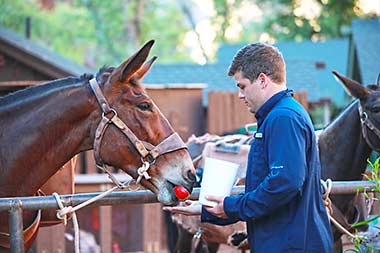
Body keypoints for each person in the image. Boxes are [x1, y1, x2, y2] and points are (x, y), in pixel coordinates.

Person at [163, 42, 333, 252]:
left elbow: (285, 182)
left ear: (262, 80)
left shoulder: (283, 118)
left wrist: (231, 206)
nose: (240, 95)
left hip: (291, 245)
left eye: (242, 86)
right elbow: (267, 188)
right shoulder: (277, 117)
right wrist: (208, 210)